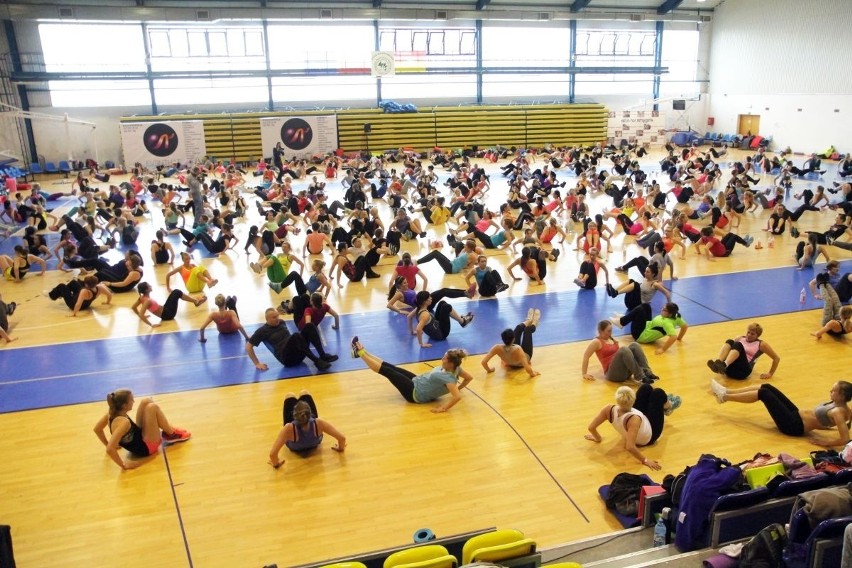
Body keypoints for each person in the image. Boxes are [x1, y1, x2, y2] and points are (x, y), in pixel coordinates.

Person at [710, 380, 852, 447]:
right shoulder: (843, 407)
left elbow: (845, 439)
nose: (830, 391)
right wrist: (828, 426)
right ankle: (727, 391)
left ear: (842, 395)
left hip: (793, 426)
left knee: (763, 393)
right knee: (767, 386)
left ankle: (724, 397)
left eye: (833, 391)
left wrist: (825, 443)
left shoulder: (838, 412)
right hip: (796, 415)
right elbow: (841, 421)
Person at [350, 338, 473, 413]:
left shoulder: (449, 379)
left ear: (450, 363)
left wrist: (444, 408)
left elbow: (457, 397)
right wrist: (460, 388)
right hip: (417, 381)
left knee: (388, 372)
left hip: (415, 394)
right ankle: (363, 352)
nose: (442, 358)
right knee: (392, 368)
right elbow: (469, 378)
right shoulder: (457, 368)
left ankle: (360, 353)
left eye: (444, 358)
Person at [584, 384, 680, 471]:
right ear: (633, 399)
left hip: (638, 423)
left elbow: (591, 427)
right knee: (658, 393)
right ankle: (668, 406)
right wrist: (645, 460)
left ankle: (663, 405)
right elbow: (630, 447)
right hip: (649, 436)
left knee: (646, 388)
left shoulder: (608, 409)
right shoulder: (634, 419)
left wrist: (597, 438)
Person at [92, 389, 191, 470]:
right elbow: (110, 449)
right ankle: (172, 434)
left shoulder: (111, 413)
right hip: (146, 448)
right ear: (124, 406)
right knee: (152, 407)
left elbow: (97, 429)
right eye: (131, 400)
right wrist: (123, 465)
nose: (133, 401)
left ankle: (169, 429)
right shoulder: (123, 423)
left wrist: (107, 443)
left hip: (139, 437)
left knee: (146, 401)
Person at [268, 390, 346, 469]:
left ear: (293, 414)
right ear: (310, 413)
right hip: (314, 444)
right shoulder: (319, 423)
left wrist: (276, 463)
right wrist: (340, 448)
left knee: (290, 395)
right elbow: (342, 438)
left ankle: (294, 400)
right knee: (304, 393)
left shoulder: (289, 428)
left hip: (295, 448)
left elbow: (272, 454)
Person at [246, 307, 337, 372]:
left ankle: (322, 355)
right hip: (287, 359)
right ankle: (317, 361)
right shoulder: (262, 331)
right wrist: (257, 363)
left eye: (277, 316)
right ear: (267, 319)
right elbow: (249, 347)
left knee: (309, 326)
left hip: (298, 352)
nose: (277, 319)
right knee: (296, 336)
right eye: (274, 317)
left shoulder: (282, 322)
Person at [581, 320, 660, 384]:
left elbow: (624, 355)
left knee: (634, 345)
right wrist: (584, 373)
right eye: (608, 331)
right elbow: (586, 356)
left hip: (623, 372)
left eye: (611, 330)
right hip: (612, 375)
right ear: (600, 331)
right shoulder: (596, 342)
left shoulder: (611, 339)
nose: (610, 333)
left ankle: (647, 372)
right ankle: (641, 377)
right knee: (624, 349)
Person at [706, 322, 781, 380]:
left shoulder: (761, 344)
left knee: (738, 345)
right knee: (730, 341)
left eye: (752, 334)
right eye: (748, 332)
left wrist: (770, 373)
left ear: (757, 336)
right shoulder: (740, 338)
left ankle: (724, 365)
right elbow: (730, 350)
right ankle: (719, 364)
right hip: (729, 370)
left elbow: (776, 358)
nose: (749, 335)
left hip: (743, 372)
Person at [481, 308, 541, 378]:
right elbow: (527, 368)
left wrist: (489, 370)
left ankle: (528, 320)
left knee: (518, 328)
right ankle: (534, 322)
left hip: (510, 361)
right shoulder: (518, 349)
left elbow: (483, 362)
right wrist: (533, 374)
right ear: (513, 339)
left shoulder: (496, 347)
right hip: (523, 359)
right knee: (527, 330)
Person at [610, 302, 688, 355]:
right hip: (647, 326)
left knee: (640, 310)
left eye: (664, 310)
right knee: (646, 305)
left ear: (670, 314)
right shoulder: (676, 316)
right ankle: (623, 319)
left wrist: (663, 349)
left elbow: (673, 337)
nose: (661, 310)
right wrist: (680, 338)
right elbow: (685, 326)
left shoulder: (667, 323)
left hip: (640, 335)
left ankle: (621, 322)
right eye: (663, 308)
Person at [408, 290, 474, 348]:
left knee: (442, 303)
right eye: (429, 297)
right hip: (441, 334)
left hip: (435, 326)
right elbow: (418, 329)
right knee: (446, 307)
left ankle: (462, 321)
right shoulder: (425, 315)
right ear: (425, 302)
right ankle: (462, 322)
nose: (431, 298)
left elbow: (409, 317)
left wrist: (412, 331)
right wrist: (421, 344)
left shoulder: (418, 308)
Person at [132, 281, 206, 328]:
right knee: (177, 292)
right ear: (146, 290)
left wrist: (139, 315)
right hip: (168, 315)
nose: (151, 286)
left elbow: (133, 307)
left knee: (175, 292)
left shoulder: (142, 298)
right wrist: (151, 325)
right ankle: (195, 301)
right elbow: (141, 314)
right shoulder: (147, 301)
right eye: (149, 286)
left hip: (165, 310)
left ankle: (195, 301)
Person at [48, 275, 113, 317]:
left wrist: (74, 314)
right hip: (86, 305)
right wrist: (107, 302)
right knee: (74, 282)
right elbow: (110, 295)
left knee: (62, 286)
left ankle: (51, 296)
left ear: (86, 285)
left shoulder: (84, 291)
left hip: (73, 304)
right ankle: (60, 293)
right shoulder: (100, 288)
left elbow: (78, 304)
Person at [811, 273, 852, 339]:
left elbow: (818, 334)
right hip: (839, 321)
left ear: (840, 314)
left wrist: (813, 333)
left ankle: (821, 283)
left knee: (828, 301)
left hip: (827, 322)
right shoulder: (850, 325)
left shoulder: (832, 323)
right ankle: (826, 283)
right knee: (836, 298)